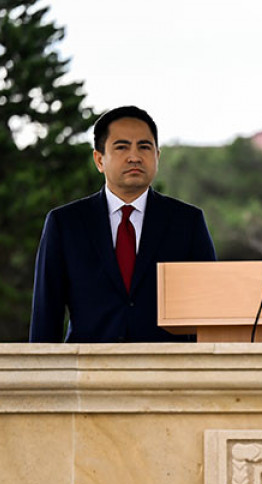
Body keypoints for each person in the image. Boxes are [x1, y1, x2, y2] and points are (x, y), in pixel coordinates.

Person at [29, 105, 217, 342]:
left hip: (168, 370)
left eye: (144, 147)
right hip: (87, 369)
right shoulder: (65, 223)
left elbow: (210, 309)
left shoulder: (187, 222)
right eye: (122, 147)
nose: (134, 157)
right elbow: (46, 313)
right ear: (99, 160)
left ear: (157, 157)